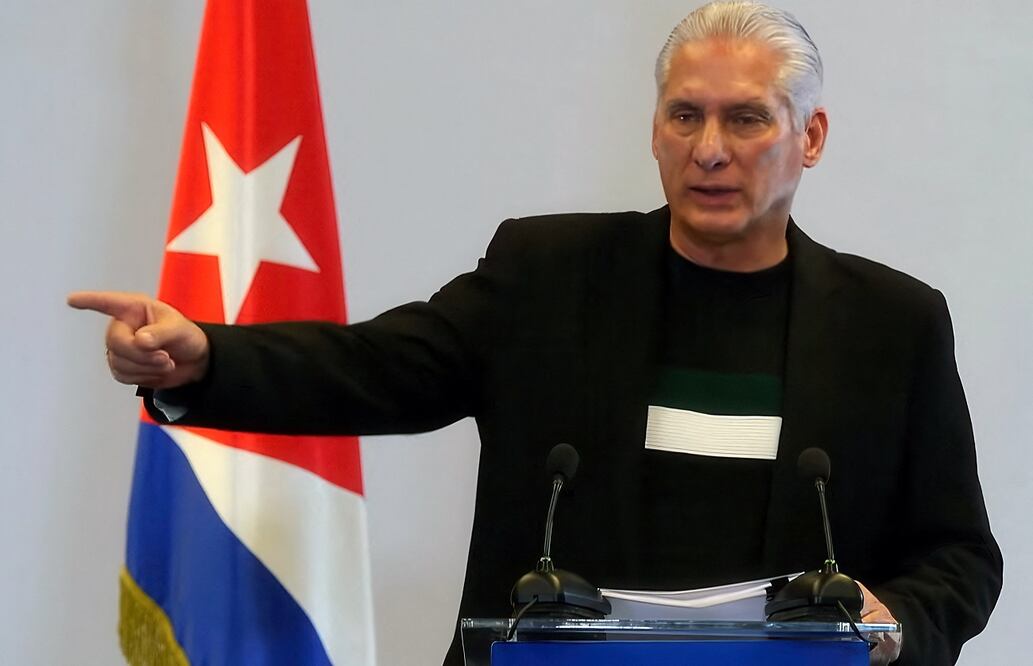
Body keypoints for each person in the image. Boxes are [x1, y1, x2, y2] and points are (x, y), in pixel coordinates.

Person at [70, 2, 1001, 664]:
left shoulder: (893, 324)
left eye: (745, 118)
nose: (708, 148)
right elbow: (377, 369)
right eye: (685, 114)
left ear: (811, 137)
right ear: (655, 129)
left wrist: (899, 626)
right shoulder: (548, 277)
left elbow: (959, 554)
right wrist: (208, 356)